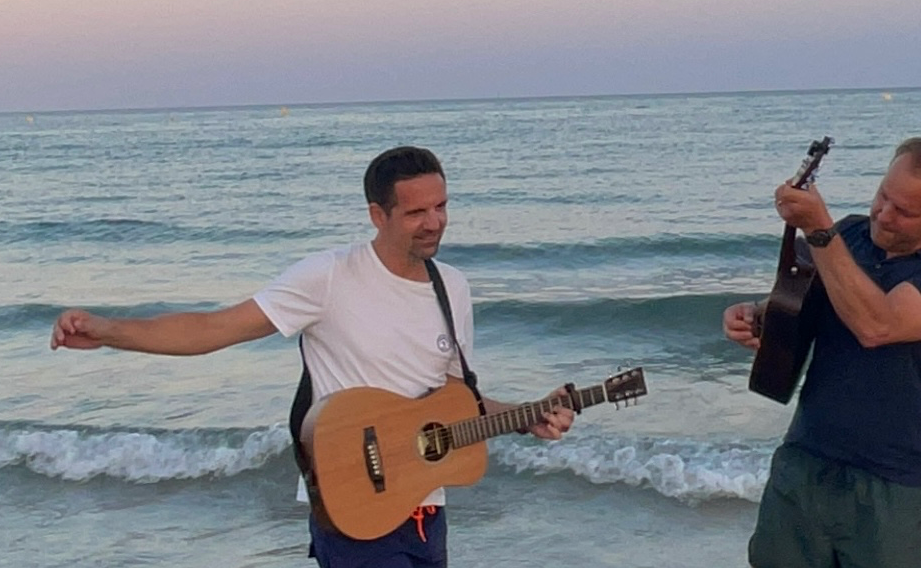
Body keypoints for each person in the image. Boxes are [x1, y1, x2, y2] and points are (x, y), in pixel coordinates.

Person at [48, 146, 576, 568]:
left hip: (426, 507)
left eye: (441, 207)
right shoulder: (328, 277)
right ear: (377, 214)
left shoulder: (452, 287)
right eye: (416, 212)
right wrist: (110, 330)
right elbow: (214, 328)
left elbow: (459, 398)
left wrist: (528, 416)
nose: (434, 222)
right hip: (355, 506)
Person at [722, 136, 921, 568]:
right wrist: (758, 316)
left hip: (893, 483)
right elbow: (800, 311)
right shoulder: (847, 236)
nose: (884, 214)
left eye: (904, 211)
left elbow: (876, 325)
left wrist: (820, 230)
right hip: (806, 460)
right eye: (883, 196)